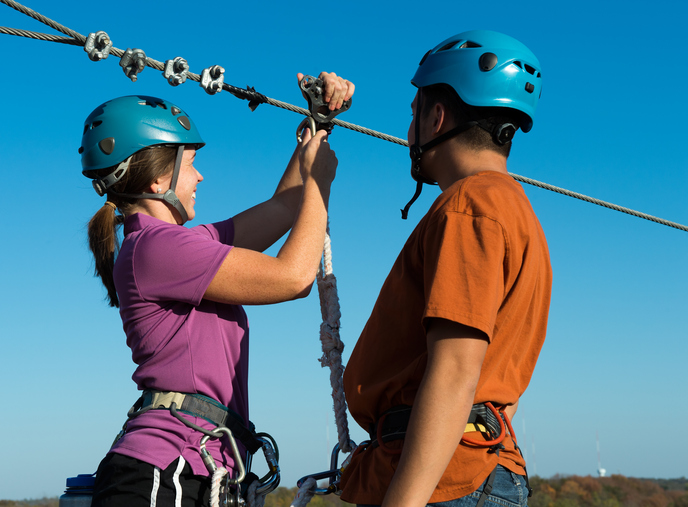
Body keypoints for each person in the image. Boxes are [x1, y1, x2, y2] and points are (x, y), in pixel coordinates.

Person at [81, 72, 354, 506]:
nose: (201, 176)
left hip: (194, 470)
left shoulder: (182, 246)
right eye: (190, 164)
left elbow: (284, 206)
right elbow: (295, 276)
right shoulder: (156, 247)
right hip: (167, 470)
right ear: (156, 180)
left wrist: (318, 125)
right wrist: (320, 183)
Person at [339, 31, 552, 507]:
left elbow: (457, 368)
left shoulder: (468, 207)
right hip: (480, 463)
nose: (409, 128)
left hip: (445, 481)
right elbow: (504, 386)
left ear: (436, 116)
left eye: (414, 113)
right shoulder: (519, 216)